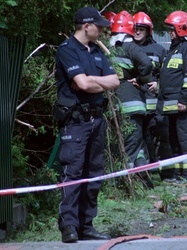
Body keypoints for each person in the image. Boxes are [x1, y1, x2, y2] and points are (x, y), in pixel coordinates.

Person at [54, 6, 119, 243]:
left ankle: (86, 225)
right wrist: (91, 82)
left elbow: (115, 81)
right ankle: (69, 226)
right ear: (86, 25)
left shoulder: (97, 52)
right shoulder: (67, 50)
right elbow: (82, 85)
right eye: (98, 26)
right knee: (73, 174)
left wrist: (91, 80)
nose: (101, 30)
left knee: (93, 175)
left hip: (97, 120)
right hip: (76, 122)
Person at [109, 11, 154, 188]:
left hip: (115, 104)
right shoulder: (130, 45)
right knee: (133, 144)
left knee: (133, 143)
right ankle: (126, 184)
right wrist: (141, 79)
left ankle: (142, 178)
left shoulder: (108, 46)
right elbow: (147, 63)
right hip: (133, 105)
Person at [158, 11, 187, 185]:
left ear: (181, 28)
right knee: (174, 141)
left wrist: (184, 100)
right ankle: (177, 175)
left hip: (183, 105)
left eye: (172, 28)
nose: (170, 32)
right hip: (171, 106)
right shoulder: (174, 49)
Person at [131, 12, 173, 180]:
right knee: (142, 140)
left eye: (141, 29)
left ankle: (168, 174)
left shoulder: (159, 50)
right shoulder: (126, 48)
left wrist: (158, 84)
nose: (138, 32)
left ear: (148, 31)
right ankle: (146, 174)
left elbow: (169, 74)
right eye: (135, 29)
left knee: (163, 139)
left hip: (155, 104)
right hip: (136, 104)